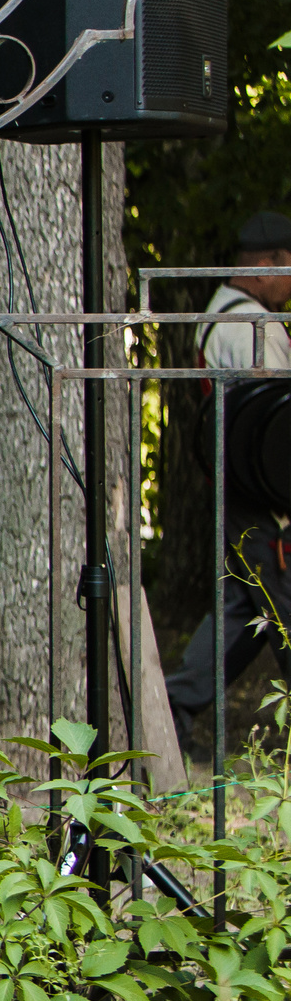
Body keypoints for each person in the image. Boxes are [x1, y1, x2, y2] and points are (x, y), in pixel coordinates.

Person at [164, 210, 291, 739]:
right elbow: (280, 425)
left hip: (244, 491)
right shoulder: (251, 327)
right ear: (266, 266)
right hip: (266, 494)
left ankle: (174, 706)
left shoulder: (226, 315)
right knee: (284, 604)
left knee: (242, 607)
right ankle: (174, 708)